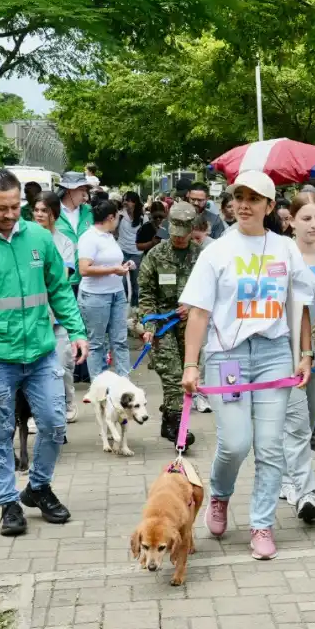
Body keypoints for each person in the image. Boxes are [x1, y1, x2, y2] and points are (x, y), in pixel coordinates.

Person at [179, 169, 315, 561]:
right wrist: (192, 366)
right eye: (239, 197)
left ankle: (261, 524)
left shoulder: (285, 249)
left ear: (270, 206)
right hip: (228, 356)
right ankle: (219, 496)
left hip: (275, 353)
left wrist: (305, 354)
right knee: (236, 442)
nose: (244, 204)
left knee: (271, 446)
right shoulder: (217, 251)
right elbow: (200, 314)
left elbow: (300, 305)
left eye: (254, 198)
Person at [0, 169, 89, 537]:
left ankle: (37, 488)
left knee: (55, 424)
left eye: (15, 206)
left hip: (40, 353)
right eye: (1, 208)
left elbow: (58, 288)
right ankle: (8, 502)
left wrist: (76, 330)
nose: (10, 215)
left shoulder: (38, 237)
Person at [280, 190, 315, 521]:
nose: (313, 225)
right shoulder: (281, 258)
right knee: (294, 421)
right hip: (288, 349)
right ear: (292, 221)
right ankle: (294, 483)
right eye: (306, 218)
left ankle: (292, 474)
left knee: (311, 416)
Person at [137, 201, 202, 445]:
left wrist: (194, 306)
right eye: (175, 235)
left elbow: (213, 290)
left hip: (191, 325)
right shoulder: (155, 256)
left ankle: (169, 422)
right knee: (173, 374)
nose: (179, 240)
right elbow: (146, 295)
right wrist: (149, 329)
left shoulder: (201, 256)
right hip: (163, 324)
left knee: (187, 374)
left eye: (184, 236)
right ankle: (178, 429)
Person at [33, 191, 80, 421]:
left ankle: (68, 402)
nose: (39, 215)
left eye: (44, 211)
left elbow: (61, 279)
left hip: (58, 315)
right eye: (37, 210)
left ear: (54, 214)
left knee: (62, 363)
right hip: (34, 315)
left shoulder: (64, 243)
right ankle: (38, 412)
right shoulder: (26, 239)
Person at [77, 198, 133, 376]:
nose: (118, 221)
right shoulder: (89, 238)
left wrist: (124, 265)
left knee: (120, 341)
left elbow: (111, 261)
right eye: (117, 217)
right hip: (95, 296)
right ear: (111, 217)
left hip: (116, 293)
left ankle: (125, 382)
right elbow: (84, 269)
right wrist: (113, 270)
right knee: (97, 343)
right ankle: (100, 385)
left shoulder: (109, 237)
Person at [55, 172, 93, 291]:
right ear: (68, 190)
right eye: (81, 189)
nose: (85, 194)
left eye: (86, 189)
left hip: (86, 280)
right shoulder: (52, 212)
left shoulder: (89, 212)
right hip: (61, 279)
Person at [118, 191, 145, 306]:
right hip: (122, 252)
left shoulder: (143, 218)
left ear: (135, 203)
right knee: (122, 282)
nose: (126, 203)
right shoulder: (119, 215)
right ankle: (123, 306)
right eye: (125, 200)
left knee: (135, 283)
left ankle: (135, 309)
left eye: (129, 200)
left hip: (136, 254)